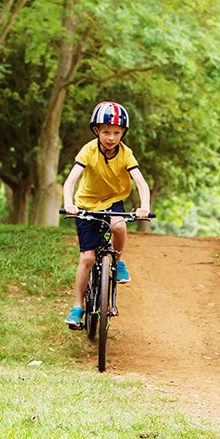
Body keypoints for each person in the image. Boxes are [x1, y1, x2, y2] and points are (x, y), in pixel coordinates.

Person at [61, 101, 151, 329]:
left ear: (123, 133)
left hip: (112, 201)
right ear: (96, 131)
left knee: (120, 227)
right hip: (87, 205)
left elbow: (140, 182)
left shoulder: (125, 153)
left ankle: (119, 262)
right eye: (106, 132)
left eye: (116, 132)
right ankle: (77, 307)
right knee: (87, 258)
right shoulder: (88, 150)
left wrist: (144, 206)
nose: (111, 137)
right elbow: (71, 181)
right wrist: (69, 204)